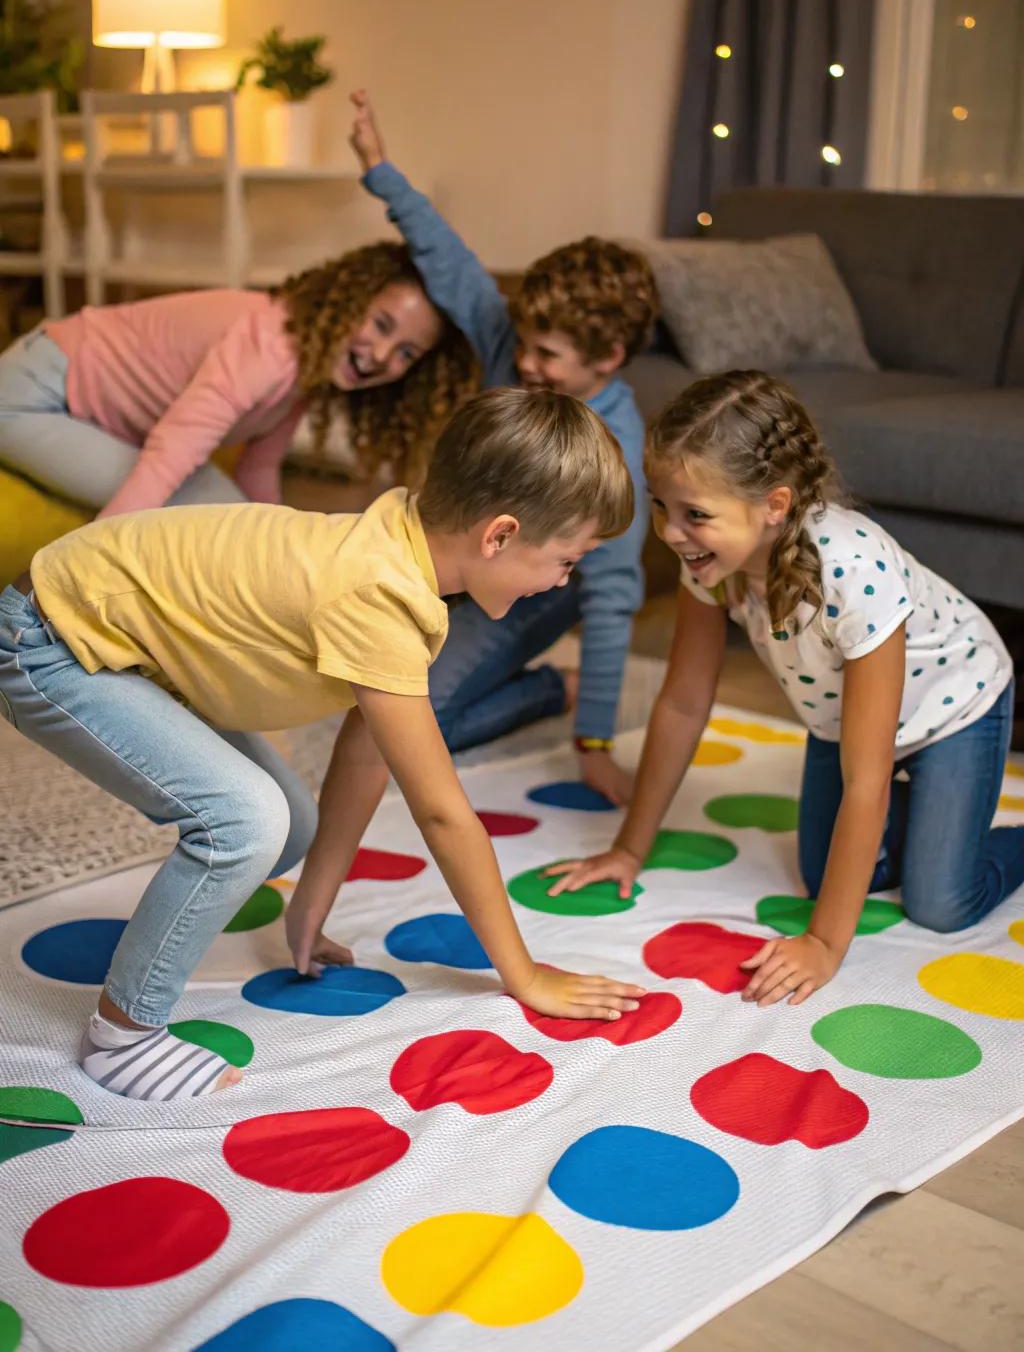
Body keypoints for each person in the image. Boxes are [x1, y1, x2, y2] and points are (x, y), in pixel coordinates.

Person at [0, 387, 646, 1102]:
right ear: (498, 535)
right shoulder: (378, 594)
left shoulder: (401, 546)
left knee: (289, 826)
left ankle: (202, 892)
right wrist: (523, 974)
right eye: (565, 559)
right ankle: (122, 1036)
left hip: (131, 649)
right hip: (53, 639)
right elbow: (442, 814)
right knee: (244, 824)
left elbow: (368, 748)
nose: (564, 580)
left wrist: (313, 901)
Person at [545, 369, 1023, 1007]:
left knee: (941, 902)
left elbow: (867, 779)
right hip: (842, 723)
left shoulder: (854, 570)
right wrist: (629, 849)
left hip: (955, 706)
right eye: (662, 506)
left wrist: (824, 944)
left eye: (695, 514)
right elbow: (684, 704)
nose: (670, 532)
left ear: (775, 505)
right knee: (825, 875)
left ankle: (974, 825)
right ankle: (939, 816)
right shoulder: (710, 566)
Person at [350, 90, 657, 806]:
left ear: (607, 357)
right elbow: (448, 260)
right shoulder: (509, 350)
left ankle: (553, 689)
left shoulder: (618, 448)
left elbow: (611, 600)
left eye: (547, 354)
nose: (524, 363)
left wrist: (597, 743)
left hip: (538, 588)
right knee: (365, 689)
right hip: (462, 562)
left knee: (416, 730)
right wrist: (380, 168)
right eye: (523, 342)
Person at [0, 244, 478, 517]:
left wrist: (284, 546)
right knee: (215, 511)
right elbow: (175, 448)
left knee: (239, 514)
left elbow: (259, 468)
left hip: (81, 406)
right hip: (29, 396)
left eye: (406, 354)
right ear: (346, 300)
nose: (380, 356)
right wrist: (91, 562)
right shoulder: (272, 344)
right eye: (381, 324)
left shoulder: (310, 366)